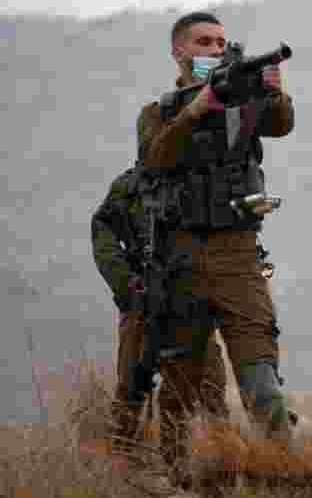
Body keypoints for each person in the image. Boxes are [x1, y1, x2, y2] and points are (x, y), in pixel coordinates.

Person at [135, 11, 295, 476]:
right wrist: (195, 111)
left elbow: (281, 123)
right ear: (179, 51)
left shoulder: (243, 102)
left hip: (238, 256)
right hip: (181, 261)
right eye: (203, 42)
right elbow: (154, 159)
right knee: (179, 387)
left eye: (221, 43)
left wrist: (273, 90)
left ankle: (285, 472)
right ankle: (176, 476)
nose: (215, 50)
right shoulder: (160, 112)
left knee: (262, 379)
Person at [91, 163, 229, 483]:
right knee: (131, 387)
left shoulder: (200, 179)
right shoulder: (130, 186)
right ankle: (122, 469)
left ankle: (213, 465)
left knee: (210, 385)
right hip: (143, 301)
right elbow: (102, 230)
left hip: (190, 301)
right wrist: (127, 283)